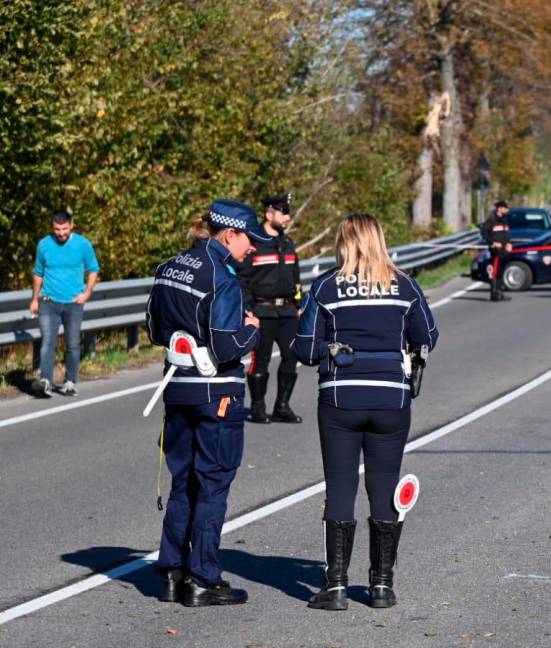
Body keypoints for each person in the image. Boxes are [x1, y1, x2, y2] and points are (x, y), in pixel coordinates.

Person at [292, 213, 438, 611]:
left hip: (341, 398)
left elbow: (304, 349)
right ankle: (382, 586)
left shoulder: (326, 287)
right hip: (392, 399)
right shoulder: (404, 286)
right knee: (384, 486)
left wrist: (331, 350)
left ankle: (336, 586)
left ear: (345, 242)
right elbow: (428, 337)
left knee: (340, 487)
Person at [145, 199, 269, 607]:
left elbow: (154, 329)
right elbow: (225, 345)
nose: (252, 248)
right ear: (229, 234)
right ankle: (202, 577)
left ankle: (170, 572)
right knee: (213, 485)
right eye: (249, 240)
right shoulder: (223, 277)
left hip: (177, 387)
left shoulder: (170, 267)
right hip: (216, 392)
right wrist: (252, 330)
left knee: (184, 482)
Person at [238, 194, 303, 424]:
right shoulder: (254, 243)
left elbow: (296, 279)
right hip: (261, 312)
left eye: (288, 213)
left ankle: (282, 406)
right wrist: (248, 309)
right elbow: (242, 279)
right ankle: (258, 407)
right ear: (269, 214)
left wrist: (298, 305)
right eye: (283, 213)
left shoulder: (288, 243)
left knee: (292, 356)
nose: (287, 217)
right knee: (261, 360)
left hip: (286, 311)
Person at [29, 211, 100, 397]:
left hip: (73, 302)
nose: (61, 233)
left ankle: (69, 382)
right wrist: (35, 299)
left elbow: (93, 269)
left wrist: (87, 293)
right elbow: (38, 274)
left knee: (73, 344)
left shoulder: (83, 244)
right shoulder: (44, 244)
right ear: (52, 228)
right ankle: (45, 380)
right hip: (48, 301)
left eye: (64, 229)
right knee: (47, 342)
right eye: (57, 229)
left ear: (72, 225)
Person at [479, 200, 513, 301]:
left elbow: (505, 234)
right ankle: (494, 294)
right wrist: (493, 242)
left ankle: (500, 292)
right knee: (495, 271)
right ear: (499, 208)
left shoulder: (504, 220)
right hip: (496, 250)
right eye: (505, 208)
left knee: (501, 271)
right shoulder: (491, 220)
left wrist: (508, 243)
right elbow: (484, 233)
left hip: (504, 250)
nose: (507, 210)